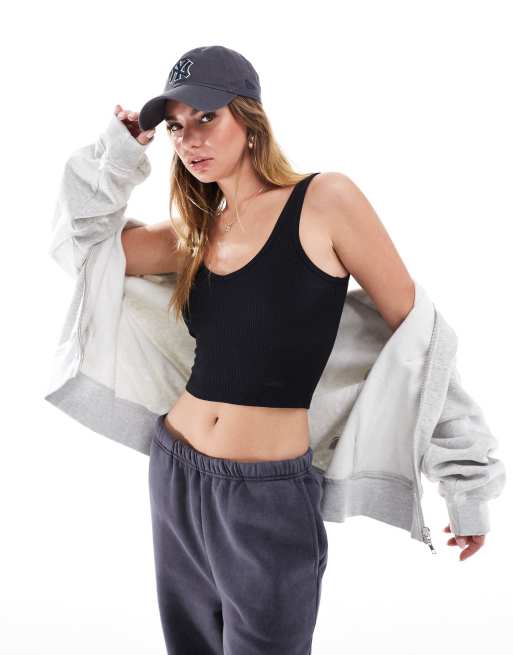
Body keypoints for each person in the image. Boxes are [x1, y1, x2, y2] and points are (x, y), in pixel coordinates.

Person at [46, 45, 505, 655]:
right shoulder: (194, 233)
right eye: (176, 126)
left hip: (268, 494)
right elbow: (85, 251)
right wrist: (118, 152)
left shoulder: (325, 200)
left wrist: (465, 482)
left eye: (206, 117)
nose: (189, 139)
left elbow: (420, 340)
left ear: (249, 118)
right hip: (175, 471)